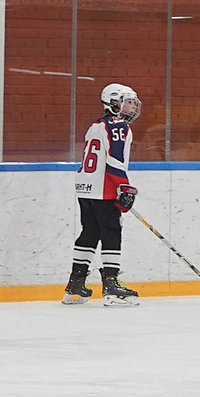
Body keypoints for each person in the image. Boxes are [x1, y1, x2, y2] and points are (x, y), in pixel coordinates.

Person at [64, 83, 141, 307]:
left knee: (90, 231)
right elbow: (114, 159)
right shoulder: (118, 126)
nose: (132, 107)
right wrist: (124, 186)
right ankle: (112, 285)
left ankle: (75, 283)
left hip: (85, 187)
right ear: (114, 103)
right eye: (128, 102)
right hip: (104, 188)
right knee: (111, 230)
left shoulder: (96, 125)